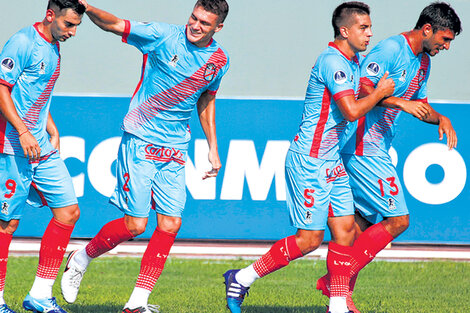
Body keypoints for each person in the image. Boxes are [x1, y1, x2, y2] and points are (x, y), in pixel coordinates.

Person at [222, 3, 395, 313]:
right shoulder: (332, 62)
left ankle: (338, 306)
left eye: (370, 27)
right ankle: (242, 277)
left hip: (332, 163)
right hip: (309, 162)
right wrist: (381, 93)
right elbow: (352, 111)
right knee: (309, 240)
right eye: (363, 27)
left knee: (345, 232)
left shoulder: (354, 62)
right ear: (345, 30)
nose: (370, 33)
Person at [59, 0, 230, 312]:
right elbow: (115, 24)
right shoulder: (162, 35)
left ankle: (137, 303)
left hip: (176, 147)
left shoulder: (219, 60)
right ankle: (82, 256)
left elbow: (206, 99)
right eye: (194, 17)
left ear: (218, 28)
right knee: (136, 225)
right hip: (141, 139)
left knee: (170, 224)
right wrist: (88, 7)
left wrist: (213, 147)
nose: (195, 25)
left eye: (204, 23)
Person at [316, 2, 461, 312]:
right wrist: (400, 102)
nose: (446, 47)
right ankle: (335, 281)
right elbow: (361, 91)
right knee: (398, 220)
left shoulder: (423, 62)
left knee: (359, 229)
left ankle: (341, 299)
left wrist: (441, 119)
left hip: (378, 146)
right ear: (427, 29)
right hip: (362, 144)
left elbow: (419, 105)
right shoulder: (390, 49)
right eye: (445, 39)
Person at [0, 1, 85, 313]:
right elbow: (2, 89)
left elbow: (35, 92)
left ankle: (39, 294)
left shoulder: (54, 46)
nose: (73, 32)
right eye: (68, 25)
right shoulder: (23, 42)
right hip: (11, 146)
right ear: (50, 15)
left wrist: (50, 126)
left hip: (41, 147)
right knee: (6, 225)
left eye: (76, 26)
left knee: (68, 213)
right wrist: (22, 131)